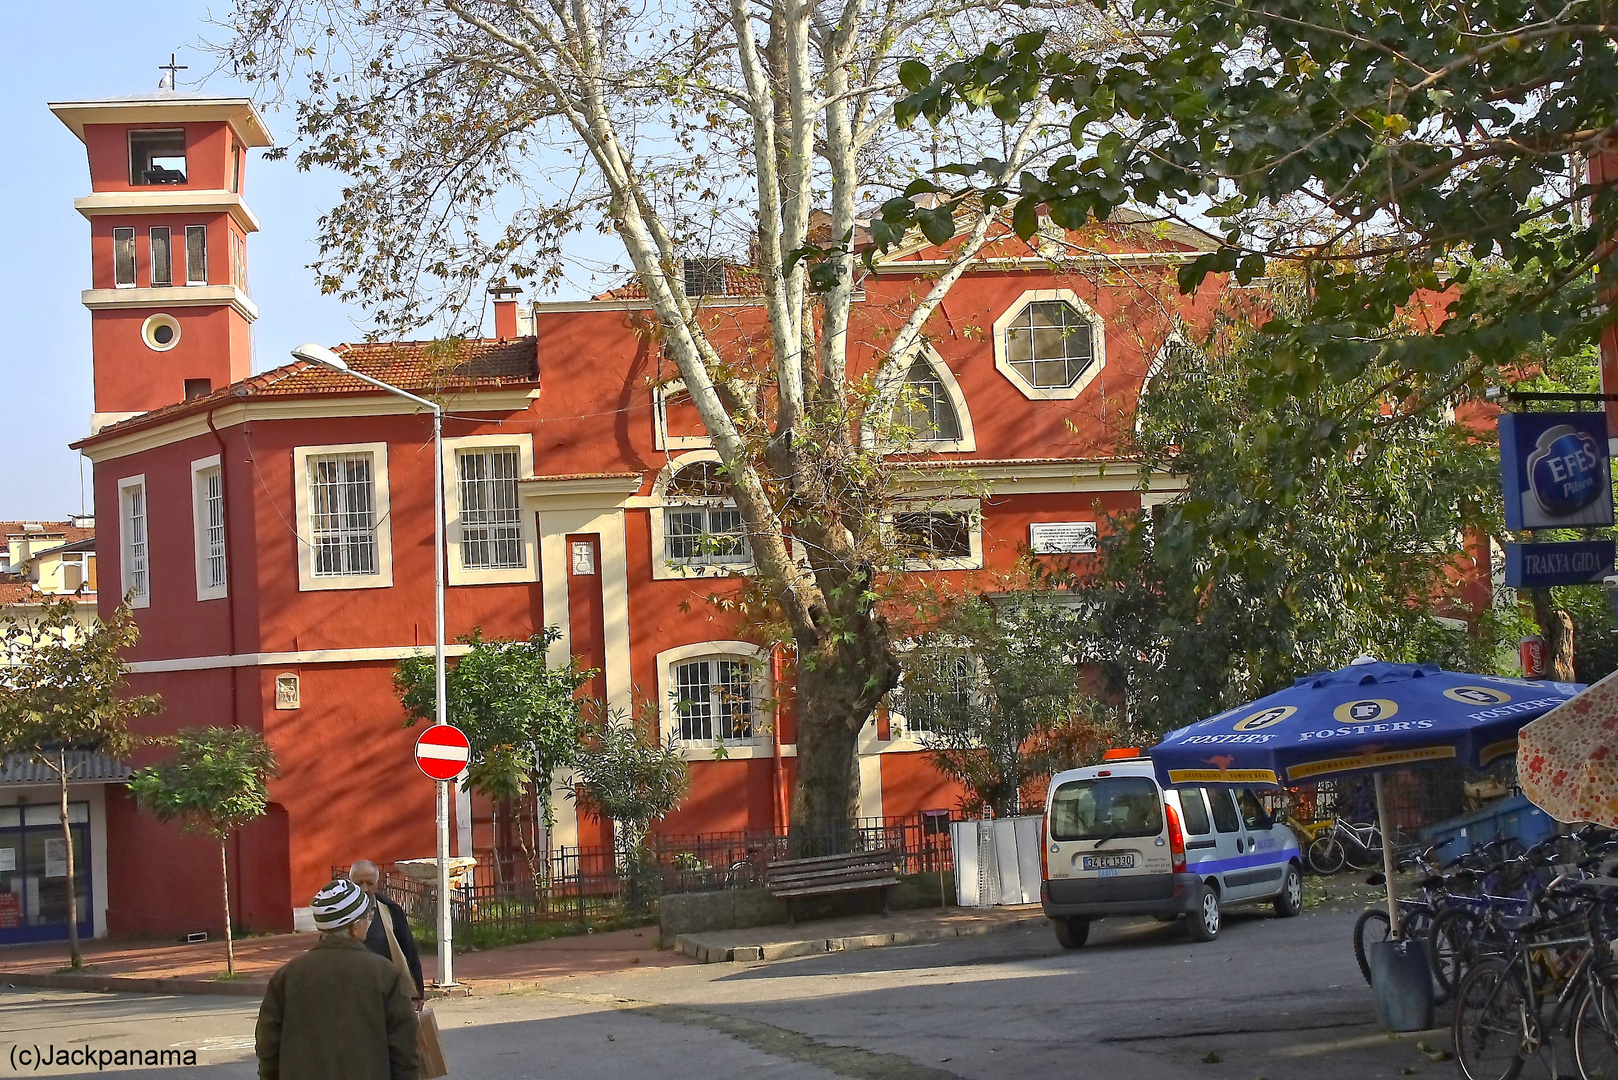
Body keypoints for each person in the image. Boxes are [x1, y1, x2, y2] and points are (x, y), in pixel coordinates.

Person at [255, 879, 419, 1080]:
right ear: (354, 927)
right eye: (368, 916)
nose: (369, 921)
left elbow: (268, 1044)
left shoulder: (288, 974)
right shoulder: (384, 973)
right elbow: (404, 1047)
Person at [348, 859, 425, 1003]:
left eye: (370, 884)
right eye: (358, 883)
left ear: (377, 884)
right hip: (350, 992)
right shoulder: (339, 914)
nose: (364, 889)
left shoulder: (391, 911)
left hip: (385, 991)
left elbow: (408, 949)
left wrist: (416, 993)